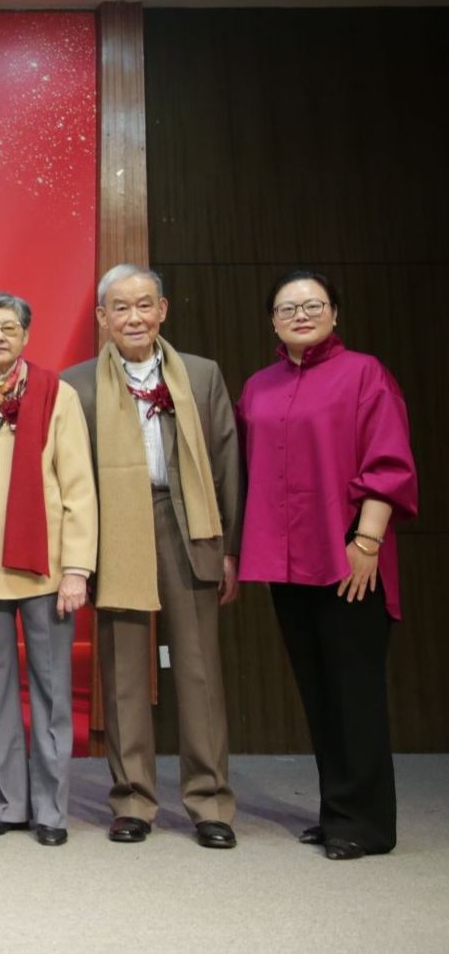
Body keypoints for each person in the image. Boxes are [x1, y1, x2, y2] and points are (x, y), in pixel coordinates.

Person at [237, 270, 416, 860]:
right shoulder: (258, 387)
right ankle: (337, 809)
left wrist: (367, 542)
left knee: (354, 689)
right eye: (288, 307)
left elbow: (388, 463)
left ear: (335, 313)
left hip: (349, 556)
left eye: (313, 305)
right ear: (273, 321)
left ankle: (365, 824)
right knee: (317, 689)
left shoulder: (365, 374)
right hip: (286, 560)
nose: (301, 315)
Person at [63, 264, 242, 850]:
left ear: (162, 310)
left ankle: (210, 802)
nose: (134, 317)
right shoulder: (77, 385)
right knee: (122, 671)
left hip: (189, 522)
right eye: (121, 307)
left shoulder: (201, 374)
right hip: (117, 525)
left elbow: (225, 460)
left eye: (144, 305)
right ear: (102, 317)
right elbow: (70, 475)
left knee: (198, 669)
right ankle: (133, 800)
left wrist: (229, 548)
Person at [0, 292, 97, 848]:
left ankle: (51, 809)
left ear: (27, 335)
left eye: (9, 328)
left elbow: (78, 487)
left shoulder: (57, 394)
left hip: (44, 569)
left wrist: (77, 569)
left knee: (52, 691)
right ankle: (9, 802)